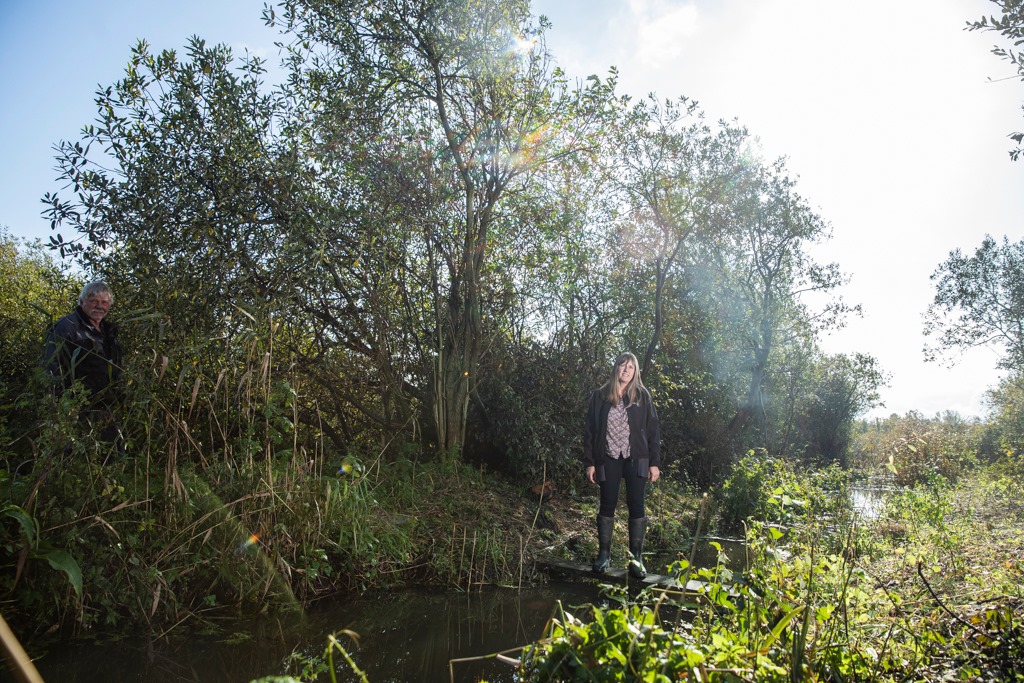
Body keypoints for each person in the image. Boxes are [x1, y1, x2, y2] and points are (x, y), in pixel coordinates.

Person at [583, 352, 661, 579]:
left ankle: (636, 559)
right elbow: (590, 431)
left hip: (637, 457)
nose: (626, 370)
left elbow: (653, 430)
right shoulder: (600, 396)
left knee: (636, 505)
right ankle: (604, 555)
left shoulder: (642, 396)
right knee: (607, 503)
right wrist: (590, 463)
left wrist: (654, 463)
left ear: (635, 371)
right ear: (616, 368)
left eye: (631, 367)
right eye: (623, 366)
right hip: (607, 457)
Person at [42, 281, 124, 451]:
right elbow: (51, 365)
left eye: (104, 302)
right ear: (81, 302)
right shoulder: (67, 327)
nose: (99, 306)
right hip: (77, 405)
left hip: (106, 405)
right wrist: (58, 402)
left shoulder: (109, 331)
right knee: (73, 455)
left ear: (110, 305)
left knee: (112, 454)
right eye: (93, 301)